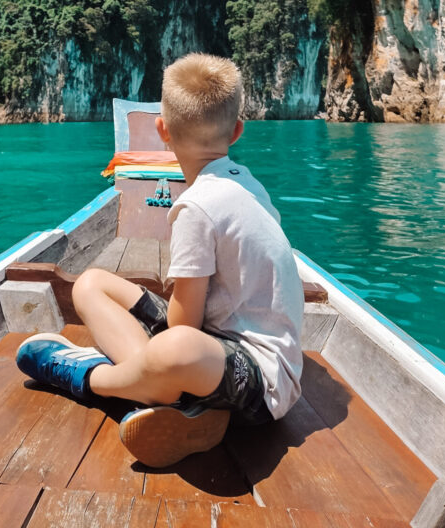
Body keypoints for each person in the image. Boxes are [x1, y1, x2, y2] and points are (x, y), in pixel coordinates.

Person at [16, 53, 304, 467]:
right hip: (216, 350)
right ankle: (178, 406)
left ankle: (92, 378)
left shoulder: (197, 208)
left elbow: (182, 330)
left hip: (259, 385)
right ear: (237, 131)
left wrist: (151, 328)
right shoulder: (249, 185)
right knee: (92, 283)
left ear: (161, 130)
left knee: (175, 345)